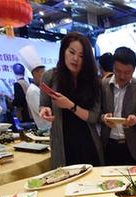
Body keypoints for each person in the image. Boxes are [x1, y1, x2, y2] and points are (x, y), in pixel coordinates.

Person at [40, 32, 104, 168]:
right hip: (62, 142)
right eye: (71, 52)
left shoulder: (94, 82)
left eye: (81, 56)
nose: (75, 59)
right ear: (63, 51)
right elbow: (44, 105)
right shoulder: (50, 77)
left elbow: (93, 117)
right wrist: (44, 111)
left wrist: (70, 105)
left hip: (88, 141)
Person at [98, 46, 136, 166]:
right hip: (108, 144)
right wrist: (103, 117)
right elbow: (96, 112)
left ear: (134, 70)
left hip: (132, 146)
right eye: (118, 71)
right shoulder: (103, 85)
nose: (122, 76)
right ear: (113, 67)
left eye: (127, 73)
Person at [18, 45, 50, 131]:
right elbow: (43, 113)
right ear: (35, 73)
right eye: (42, 73)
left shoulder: (39, 89)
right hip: (45, 129)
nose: (45, 77)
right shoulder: (33, 91)